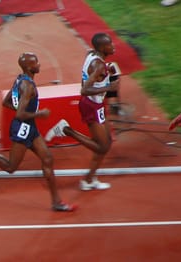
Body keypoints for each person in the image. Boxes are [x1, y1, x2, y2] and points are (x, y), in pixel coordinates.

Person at [0, 53, 76, 212]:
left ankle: (56, 202)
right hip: (23, 128)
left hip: (29, 126)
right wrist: (38, 114)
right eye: (36, 63)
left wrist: (28, 114)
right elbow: (19, 114)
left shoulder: (20, 79)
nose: (39, 65)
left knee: (47, 158)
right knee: (10, 167)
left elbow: (7, 103)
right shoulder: (28, 86)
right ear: (28, 67)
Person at [44, 32, 118, 191]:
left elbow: (95, 77)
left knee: (107, 143)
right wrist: (108, 87)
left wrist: (108, 72)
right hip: (91, 105)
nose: (113, 46)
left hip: (97, 104)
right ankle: (65, 129)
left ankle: (89, 179)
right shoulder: (98, 65)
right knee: (102, 147)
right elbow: (84, 90)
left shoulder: (92, 55)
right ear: (102, 47)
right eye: (110, 44)